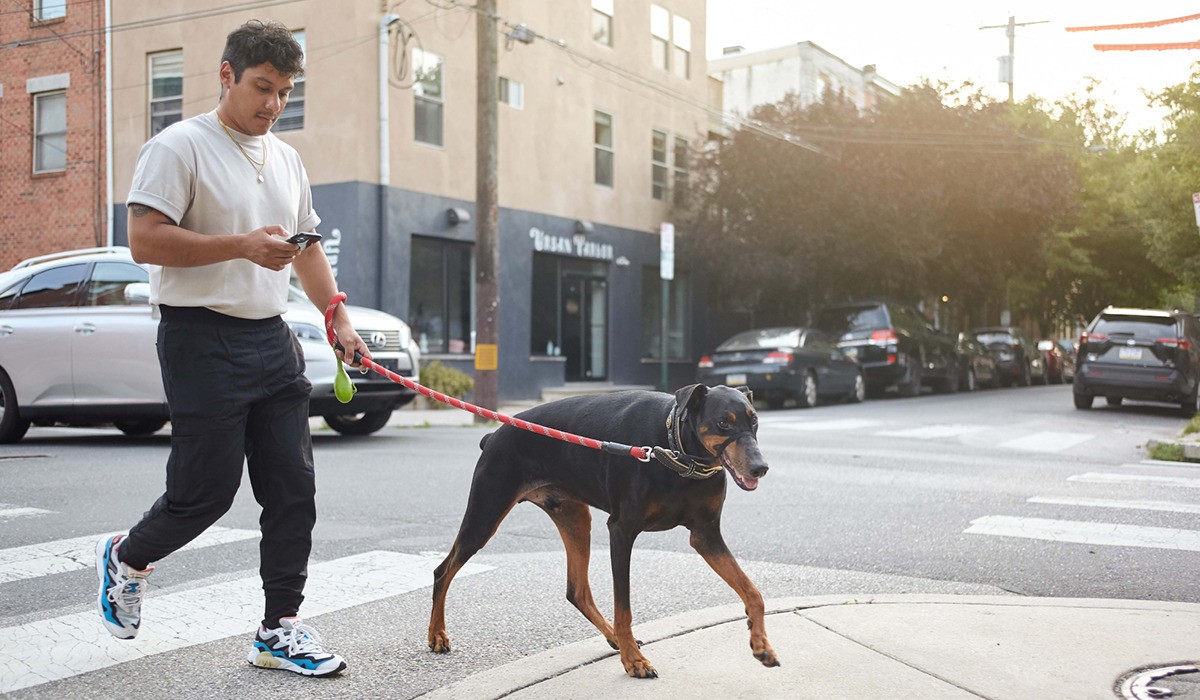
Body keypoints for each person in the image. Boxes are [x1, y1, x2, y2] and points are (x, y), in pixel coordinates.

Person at [95, 19, 369, 677]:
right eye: (261, 87)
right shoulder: (178, 147)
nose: (273, 104)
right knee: (206, 494)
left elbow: (304, 251)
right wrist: (241, 244)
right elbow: (144, 241)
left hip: (270, 338)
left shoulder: (288, 159)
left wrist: (339, 320)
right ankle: (127, 557)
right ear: (227, 75)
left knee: (293, 489)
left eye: (284, 91)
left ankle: (279, 630)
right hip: (199, 337)